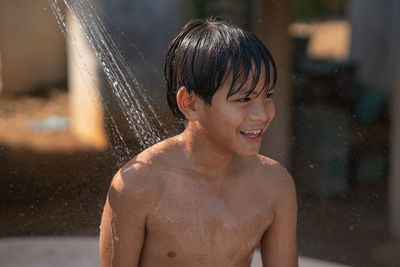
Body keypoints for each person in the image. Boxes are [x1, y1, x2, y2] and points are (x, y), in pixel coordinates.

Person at [100, 17, 298, 267]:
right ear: (190, 103)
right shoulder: (139, 186)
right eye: (244, 99)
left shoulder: (274, 184)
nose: (262, 113)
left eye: (267, 96)